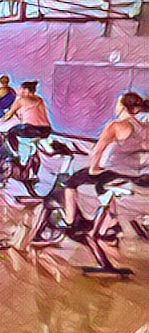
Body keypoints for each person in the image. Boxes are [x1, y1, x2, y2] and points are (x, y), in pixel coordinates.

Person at [62, 92, 149, 230]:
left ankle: (69, 221)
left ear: (122, 107)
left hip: (113, 171)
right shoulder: (145, 127)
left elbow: (98, 150)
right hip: (134, 172)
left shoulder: (116, 126)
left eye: (118, 103)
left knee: (71, 182)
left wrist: (94, 168)